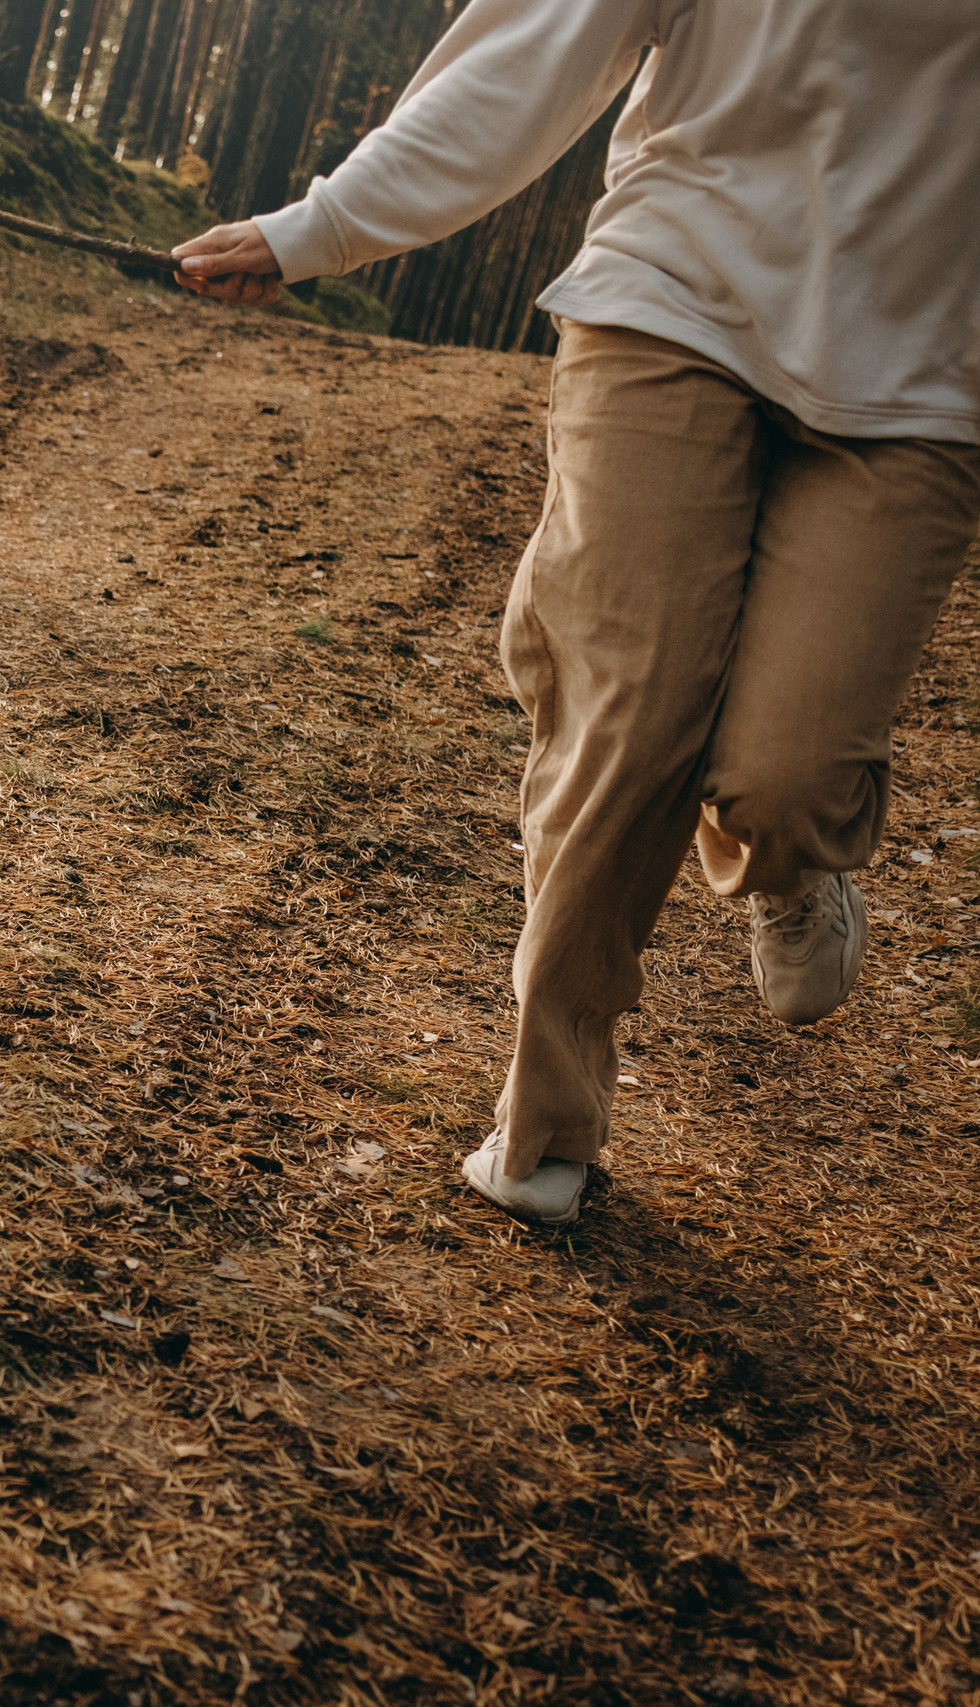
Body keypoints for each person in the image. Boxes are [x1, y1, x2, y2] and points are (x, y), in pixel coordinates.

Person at [170, 0, 980, 1227]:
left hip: (925, 378)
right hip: (671, 301)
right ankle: (548, 1116)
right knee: (628, 718)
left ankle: (786, 863)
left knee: (789, 779)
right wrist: (318, 228)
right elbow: (525, 60)